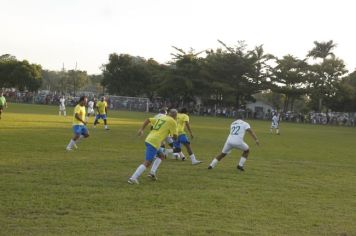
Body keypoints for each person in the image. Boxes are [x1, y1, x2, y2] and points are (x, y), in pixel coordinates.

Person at [128, 109, 178, 184]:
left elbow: (148, 119)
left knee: (161, 156)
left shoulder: (162, 117)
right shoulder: (173, 122)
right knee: (148, 162)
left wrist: (141, 129)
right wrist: (174, 136)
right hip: (154, 142)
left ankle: (152, 173)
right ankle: (133, 178)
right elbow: (175, 137)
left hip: (150, 138)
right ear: (175, 116)